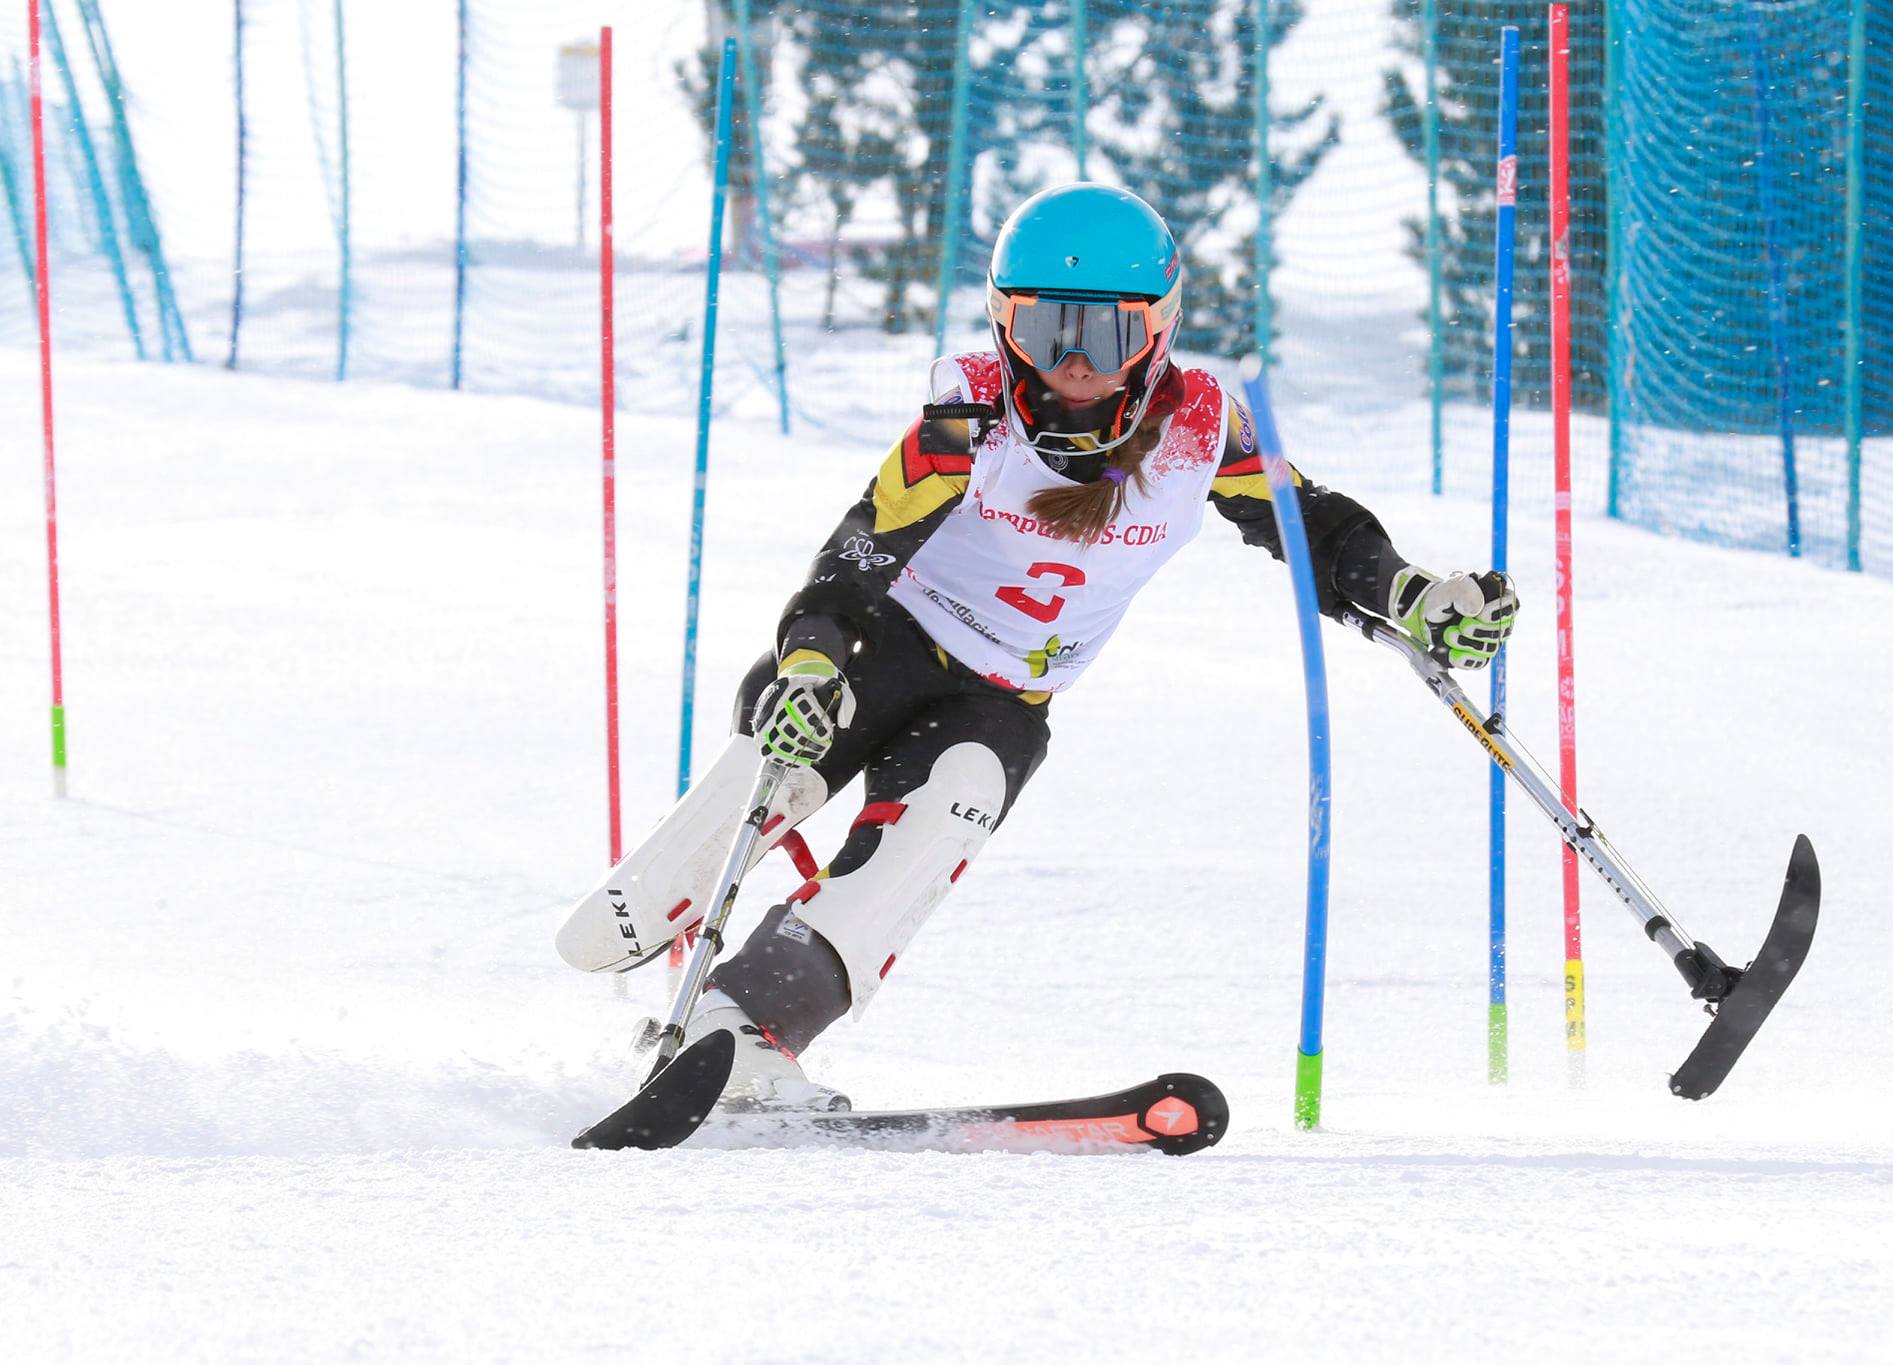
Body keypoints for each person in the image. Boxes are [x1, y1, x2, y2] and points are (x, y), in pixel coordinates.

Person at [556, 183, 1517, 1109]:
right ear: (1002, 322)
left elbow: (1314, 529)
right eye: (1046, 328)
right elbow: (858, 554)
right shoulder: (968, 417)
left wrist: (1411, 593)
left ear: (1160, 328)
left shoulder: (1201, 430)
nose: (1076, 362)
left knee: (950, 806)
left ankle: (747, 1028)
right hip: (882, 650)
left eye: (1108, 332)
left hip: (1002, 700)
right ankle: (658, 913)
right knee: (629, 909)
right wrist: (807, 662)